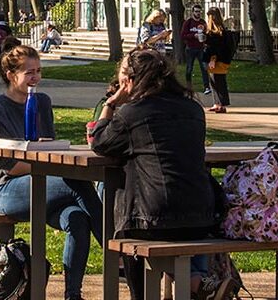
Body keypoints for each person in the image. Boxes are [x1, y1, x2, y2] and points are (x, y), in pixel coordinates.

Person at [90, 48, 236, 300]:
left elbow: (100, 142)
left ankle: (142, 295)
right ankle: (196, 283)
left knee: (126, 220)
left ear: (132, 81)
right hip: (203, 217)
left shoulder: (132, 113)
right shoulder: (193, 109)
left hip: (153, 221)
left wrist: (111, 103)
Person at [0, 43, 102, 300]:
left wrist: (48, 161)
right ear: (12, 75)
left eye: (39, 71)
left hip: (44, 183)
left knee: (77, 218)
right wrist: (47, 165)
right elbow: (9, 167)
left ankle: (73, 295)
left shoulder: (42, 102)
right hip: (6, 189)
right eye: (29, 72)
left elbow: (50, 147)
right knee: (76, 182)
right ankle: (116, 252)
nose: (36, 77)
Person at [204, 7, 236, 114]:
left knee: (217, 82)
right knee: (216, 81)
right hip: (223, 60)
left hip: (216, 60)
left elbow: (214, 47)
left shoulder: (215, 33)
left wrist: (213, 59)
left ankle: (221, 104)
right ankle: (217, 103)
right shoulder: (223, 31)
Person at [180, 4, 211, 94]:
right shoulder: (188, 22)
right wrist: (193, 35)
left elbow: (207, 33)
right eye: (196, 11)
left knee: (204, 68)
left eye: (199, 12)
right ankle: (188, 86)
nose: (198, 13)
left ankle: (206, 87)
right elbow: (183, 35)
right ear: (193, 12)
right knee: (189, 68)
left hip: (201, 48)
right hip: (190, 48)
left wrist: (205, 38)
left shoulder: (202, 22)